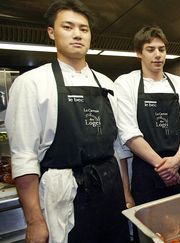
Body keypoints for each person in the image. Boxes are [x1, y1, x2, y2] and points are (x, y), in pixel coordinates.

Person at [5, 0, 129, 242]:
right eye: (68, 27)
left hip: (110, 192)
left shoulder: (106, 83)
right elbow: (23, 157)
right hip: (65, 196)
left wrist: (125, 192)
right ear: (51, 32)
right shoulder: (32, 83)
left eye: (84, 29)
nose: (77, 35)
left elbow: (117, 148)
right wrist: (34, 220)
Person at [115, 25, 180, 206]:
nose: (158, 54)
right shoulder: (126, 83)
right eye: (150, 50)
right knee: (148, 231)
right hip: (147, 174)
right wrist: (164, 167)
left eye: (162, 49)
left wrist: (176, 162)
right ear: (139, 53)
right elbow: (129, 133)